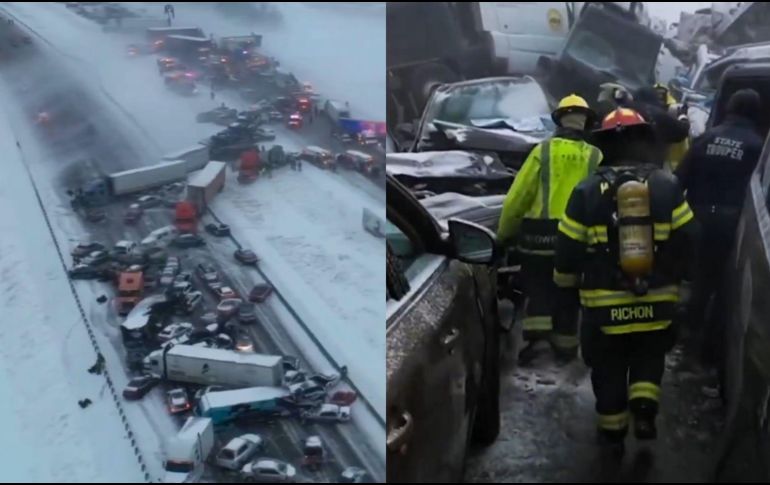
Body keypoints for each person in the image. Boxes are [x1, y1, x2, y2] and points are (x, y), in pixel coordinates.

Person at [554, 108, 696, 456]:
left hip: (604, 307)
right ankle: (645, 408)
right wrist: (679, 279)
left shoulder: (587, 189)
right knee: (649, 355)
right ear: (643, 141)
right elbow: (690, 238)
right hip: (656, 299)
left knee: (608, 367)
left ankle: (612, 432)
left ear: (605, 145)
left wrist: (565, 288)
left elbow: (568, 250)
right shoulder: (666, 185)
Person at [497, 94, 602, 363]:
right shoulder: (595, 156)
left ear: (559, 120)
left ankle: (536, 340)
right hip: (576, 236)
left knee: (538, 286)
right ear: (586, 122)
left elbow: (518, 197)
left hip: (538, 236)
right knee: (569, 292)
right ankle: (566, 344)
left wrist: (504, 234)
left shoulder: (542, 151)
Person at [675, 89, 764, 366]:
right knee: (728, 287)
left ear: (729, 108)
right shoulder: (758, 146)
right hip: (734, 223)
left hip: (697, 217)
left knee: (700, 281)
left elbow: (679, 179)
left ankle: (688, 340)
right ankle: (712, 352)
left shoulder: (706, 138)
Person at [629, 86, 690, 170]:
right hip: (647, 167)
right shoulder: (658, 115)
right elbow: (682, 131)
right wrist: (682, 115)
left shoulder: (623, 109)